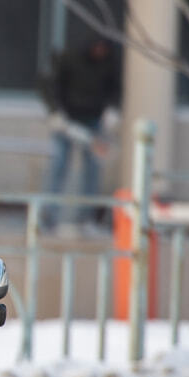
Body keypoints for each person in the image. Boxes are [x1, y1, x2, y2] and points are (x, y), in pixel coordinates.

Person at [41, 38, 120, 232]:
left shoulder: (109, 64)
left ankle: (86, 219)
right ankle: (48, 218)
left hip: (93, 123)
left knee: (92, 170)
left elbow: (115, 89)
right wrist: (55, 112)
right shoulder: (70, 59)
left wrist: (112, 109)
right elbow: (50, 85)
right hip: (67, 122)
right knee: (58, 165)